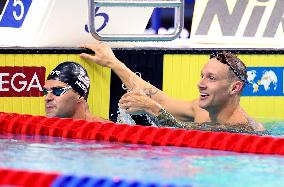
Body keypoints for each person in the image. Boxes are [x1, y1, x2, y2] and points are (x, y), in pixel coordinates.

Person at [79, 41, 264, 131]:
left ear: (234, 88)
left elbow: (186, 131)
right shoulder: (200, 110)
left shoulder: (243, 129)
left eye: (211, 78)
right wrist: (113, 63)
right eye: (202, 76)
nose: (200, 84)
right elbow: (160, 99)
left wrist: (152, 109)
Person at [43, 61, 108, 122]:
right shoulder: (47, 129)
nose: (47, 98)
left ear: (80, 96)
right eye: (46, 91)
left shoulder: (104, 130)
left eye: (57, 90)